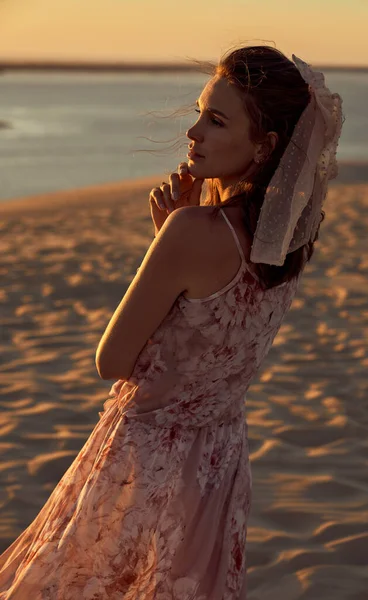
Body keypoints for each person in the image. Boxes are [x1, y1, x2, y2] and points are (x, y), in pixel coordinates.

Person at [0, 45, 343, 599]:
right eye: (199, 112)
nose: (193, 133)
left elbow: (111, 362)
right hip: (219, 461)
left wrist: (166, 241)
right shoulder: (288, 244)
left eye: (216, 119)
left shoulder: (189, 233)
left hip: (147, 462)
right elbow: (207, 339)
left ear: (266, 146)